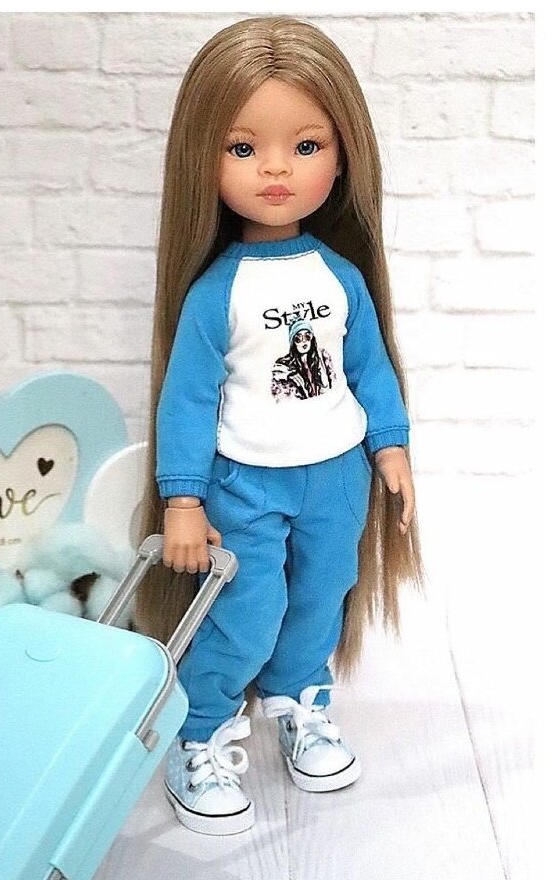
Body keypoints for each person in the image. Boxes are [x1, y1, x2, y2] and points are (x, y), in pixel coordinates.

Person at [135, 16, 423, 836]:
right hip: (245, 481)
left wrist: (390, 445)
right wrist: (183, 499)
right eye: (241, 148)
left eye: (304, 146)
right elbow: (187, 400)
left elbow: (368, 367)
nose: (273, 168)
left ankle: (300, 700)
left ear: (342, 155)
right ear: (202, 160)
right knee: (247, 609)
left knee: (321, 595)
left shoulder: (339, 278)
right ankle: (200, 731)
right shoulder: (215, 293)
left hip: (335, 473)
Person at [271, 320, 336, 400]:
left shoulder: (322, 357)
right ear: (293, 342)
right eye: (298, 338)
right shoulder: (284, 368)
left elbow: (332, 384)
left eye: (307, 336)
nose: (304, 341)